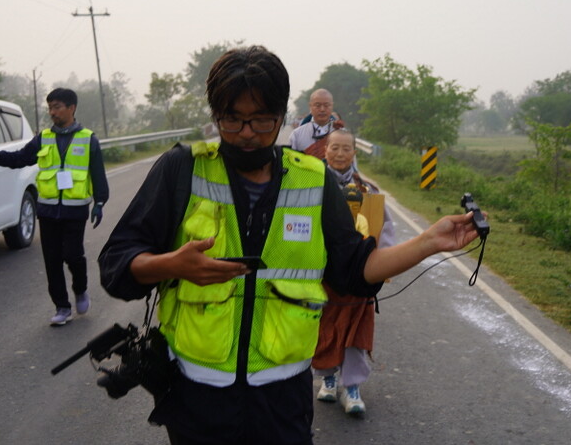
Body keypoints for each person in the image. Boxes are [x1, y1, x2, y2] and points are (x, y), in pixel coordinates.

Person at [98, 45, 479, 445]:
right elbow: (116, 264)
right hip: (197, 396)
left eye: (261, 120)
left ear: (282, 118)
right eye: (233, 119)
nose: (246, 133)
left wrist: (429, 242)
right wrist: (170, 265)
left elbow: (354, 269)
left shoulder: (313, 179)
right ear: (215, 117)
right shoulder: (182, 168)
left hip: (283, 400)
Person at [0, 88, 109, 326]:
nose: (52, 112)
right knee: (52, 260)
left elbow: (98, 174)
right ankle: (62, 307)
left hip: (75, 210)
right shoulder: (43, 138)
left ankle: (80, 289)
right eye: (50, 107)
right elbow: (18, 159)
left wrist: (100, 202)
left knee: (73, 255)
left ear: (71, 108)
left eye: (57, 107)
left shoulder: (88, 138)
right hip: (48, 210)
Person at [312, 128, 395, 415]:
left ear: (354, 153)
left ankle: (352, 387)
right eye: (334, 147)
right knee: (325, 328)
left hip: (359, 274)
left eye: (346, 148)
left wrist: (383, 266)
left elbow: (385, 230)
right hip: (323, 273)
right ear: (325, 150)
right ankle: (329, 379)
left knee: (357, 330)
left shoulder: (368, 190)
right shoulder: (311, 185)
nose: (339, 153)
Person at [289, 88, 344, 159]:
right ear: (310, 106)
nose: (322, 109)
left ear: (332, 106)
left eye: (326, 105)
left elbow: (351, 166)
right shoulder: (297, 135)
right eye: (317, 105)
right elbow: (291, 164)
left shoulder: (342, 133)